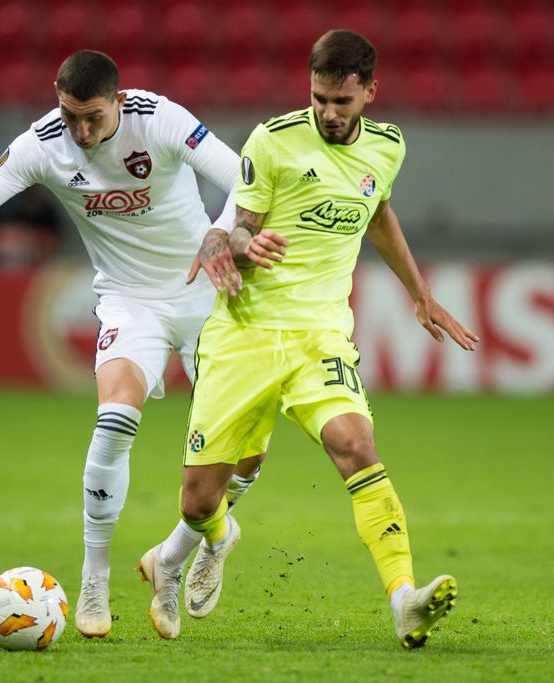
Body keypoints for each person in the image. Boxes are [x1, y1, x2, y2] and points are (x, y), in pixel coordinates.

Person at [0, 49, 274, 638]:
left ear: (117, 100)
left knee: (248, 457)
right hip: (128, 300)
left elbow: (244, 176)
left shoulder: (158, 119)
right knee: (114, 419)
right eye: (69, 115)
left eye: (91, 117)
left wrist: (219, 233)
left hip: (205, 292)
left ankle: (182, 552)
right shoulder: (42, 145)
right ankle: (94, 577)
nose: (80, 131)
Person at [139, 30, 479, 648]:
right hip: (244, 334)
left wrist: (419, 293)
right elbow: (235, 229)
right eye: (319, 96)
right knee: (197, 503)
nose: (327, 111)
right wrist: (246, 244)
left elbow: (375, 212)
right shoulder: (272, 142)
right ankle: (170, 558)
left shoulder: (389, 148)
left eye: (341, 101)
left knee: (357, 445)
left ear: (370, 93)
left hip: (320, 335)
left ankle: (405, 599)